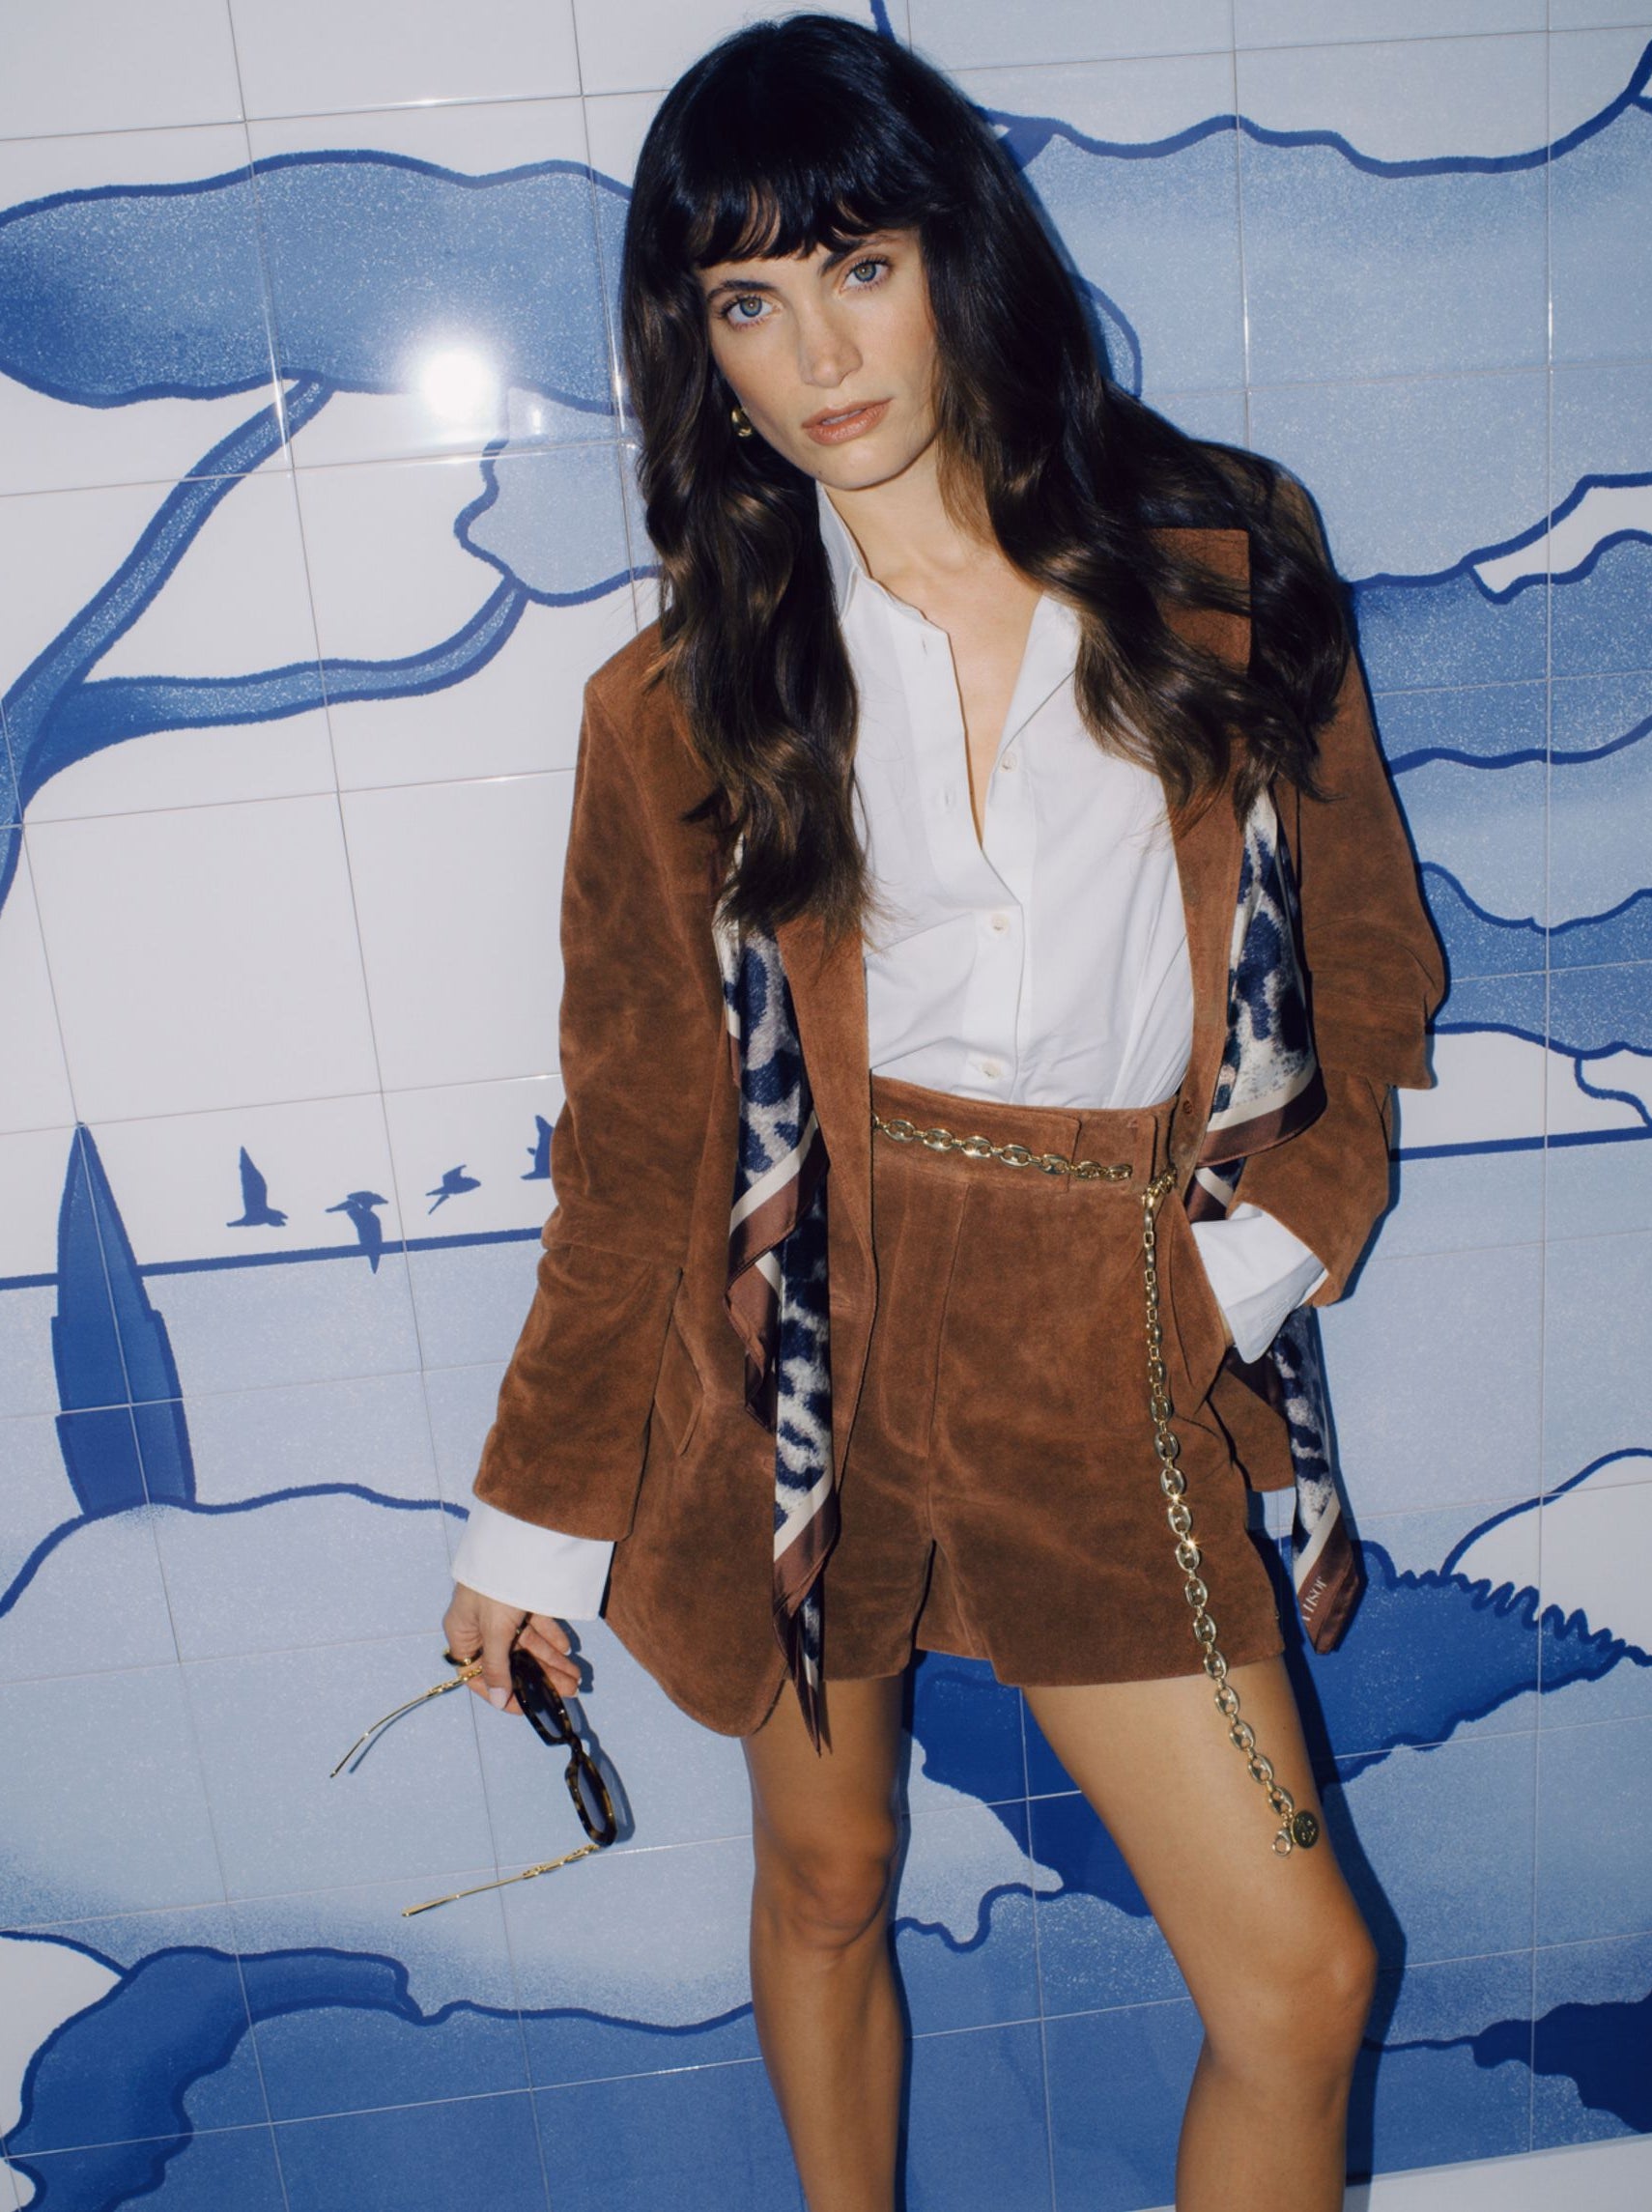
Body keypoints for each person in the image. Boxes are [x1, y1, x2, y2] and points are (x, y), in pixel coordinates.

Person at [442, 16, 1443, 2209]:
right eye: (747, 303)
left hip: (1108, 1325)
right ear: (699, 355)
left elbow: (1369, 971)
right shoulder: (675, 706)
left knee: (1301, 1985)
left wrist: (1258, 1254)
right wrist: (525, 1526)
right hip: (811, 1333)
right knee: (830, 1869)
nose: (817, 354)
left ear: (954, 256)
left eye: (857, 268)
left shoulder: (1221, 565)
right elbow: (633, 1148)